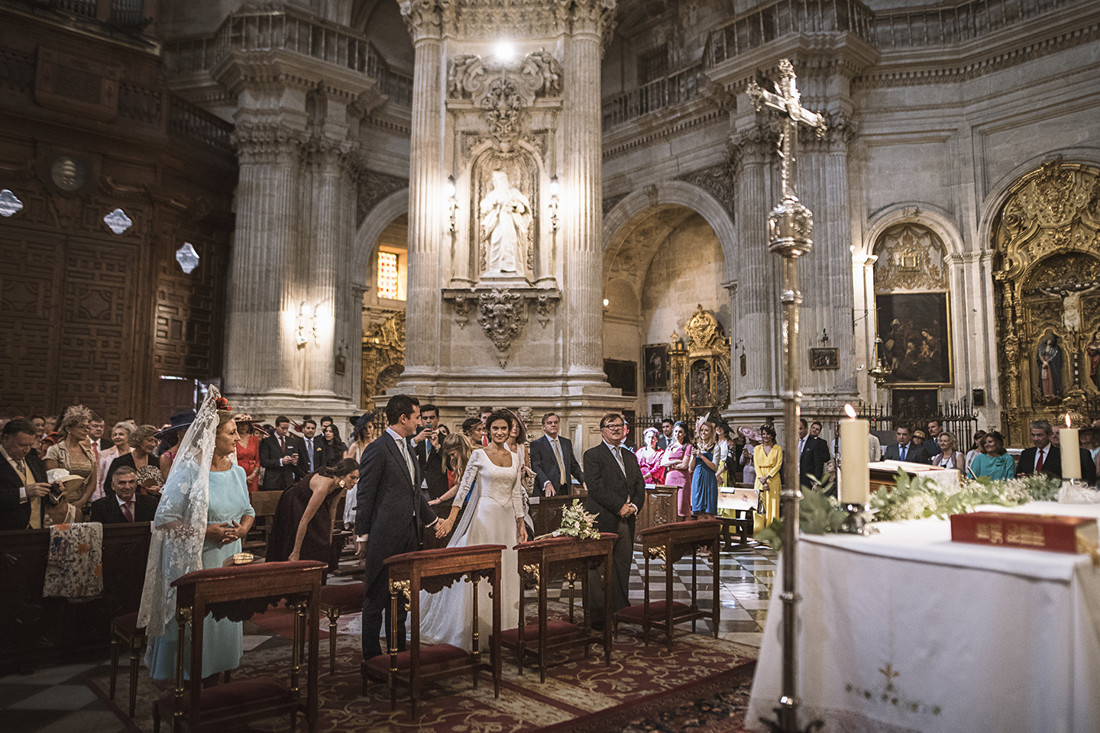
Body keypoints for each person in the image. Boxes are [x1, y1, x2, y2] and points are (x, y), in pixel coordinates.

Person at [140, 392, 256, 682]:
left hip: (231, 557)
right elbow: (164, 519)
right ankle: (190, 675)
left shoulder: (237, 472)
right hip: (199, 558)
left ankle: (219, 672)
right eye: (231, 433)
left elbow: (248, 510)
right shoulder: (189, 471)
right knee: (201, 622)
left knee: (226, 618)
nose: (238, 438)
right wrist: (206, 531)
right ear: (212, 437)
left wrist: (244, 528)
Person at [423, 410, 528, 648]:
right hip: (485, 518)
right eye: (495, 428)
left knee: (507, 569)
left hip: (507, 520)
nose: (499, 432)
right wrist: (451, 519)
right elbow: (463, 489)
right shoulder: (479, 455)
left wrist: (521, 523)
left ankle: (505, 627)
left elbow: (515, 492)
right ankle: (477, 628)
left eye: (503, 428)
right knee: (481, 571)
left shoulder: (515, 456)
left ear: (509, 430)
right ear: (488, 431)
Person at [355, 395, 439, 660]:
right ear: (403, 418)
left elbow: (414, 492)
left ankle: (398, 649)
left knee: (402, 596)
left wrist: (433, 521)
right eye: (416, 417)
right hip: (384, 533)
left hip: (409, 533)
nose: (419, 422)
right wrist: (362, 535)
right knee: (376, 596)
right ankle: (371, 656)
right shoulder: (378, 449)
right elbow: (365, 494)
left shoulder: (408, 447)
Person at [583, 413, 645, 629]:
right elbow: (596, 487)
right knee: (597, 569)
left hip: (626, 520)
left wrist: (634, 506)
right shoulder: (593, 455)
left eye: (619, 425)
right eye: (611, 426)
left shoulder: (630, 456)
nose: (616, 429)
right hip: (603, 518)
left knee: (622, 565)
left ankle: (620, 610)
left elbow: (639, 485)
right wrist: (620, 506)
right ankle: (599, 616)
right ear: (602, 431)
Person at [267, 458, 359, 571]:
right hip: (295, 502)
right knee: (304, 536)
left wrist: (329, 538)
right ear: (342, 475)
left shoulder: (341, 484)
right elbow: (304, 520)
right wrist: (296, 552)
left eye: (357, 478)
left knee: (322, 537)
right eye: (352, 477)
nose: (355, 482)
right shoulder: (323, 486)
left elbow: (333, 509)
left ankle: (317, 574)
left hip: (314, 501)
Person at [44, 405, 98, 513]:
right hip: (60, 506)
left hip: (84, 505)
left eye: (87, 427)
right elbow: (52, 482)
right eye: (81, 427)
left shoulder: (88, 452)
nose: (86, 430)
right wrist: (65, 503)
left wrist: (82, 501)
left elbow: (93, 481)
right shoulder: (55, 451)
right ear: (68, 428)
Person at [480, 170, 532, 277]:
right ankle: (495, 269)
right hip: (497, 224)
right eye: (494, 180)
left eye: (498, 179)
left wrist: (515, 206)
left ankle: (512, 268)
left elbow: (523, 208)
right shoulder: (493, 194)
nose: (495, 182)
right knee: (496, 243)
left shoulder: (513, 192)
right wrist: (492, 203)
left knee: (511, 243)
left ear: (504, 180)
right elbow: (484, 207)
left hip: (510, 224)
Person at [0, 419, 50, 530]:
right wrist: (24, 492)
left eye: (30, 445)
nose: (26, 450)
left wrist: (54, 490)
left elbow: (43, 494)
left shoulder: (34, 459)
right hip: (7, 531)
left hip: (36, 530)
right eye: (22, 445)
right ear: (5, 439)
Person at [530, 412, 585, 497]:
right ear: (544, 427)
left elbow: (573, 466)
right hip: (547, 491)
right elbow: (536, 467)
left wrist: (584, 480)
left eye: (556, 422)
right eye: (549, 423)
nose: (553, 425)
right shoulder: (537, 444)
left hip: (565, 489)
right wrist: (546, 483)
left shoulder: (566, 443)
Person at [104, 425, 163, 498]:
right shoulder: (120, 461)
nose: (153, 444)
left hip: (151, 503)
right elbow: (108, 487)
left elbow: (163, 485)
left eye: (155, 441)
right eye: (149, 440)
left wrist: (159, 490)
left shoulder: (156, 462)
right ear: (139, 439)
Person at [342, 411, 378, 529]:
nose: (368, 431)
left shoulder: (378, 444)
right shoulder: (355, 446)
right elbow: (348, 465)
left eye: (370, 427)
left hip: (374, 481)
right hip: (358, 482)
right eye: (365, 428)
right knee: (357, 518)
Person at [89, 465, 159, 523]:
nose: (127, 487)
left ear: (136, 484)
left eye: (131, 482)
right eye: (122, 483)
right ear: (113, 486)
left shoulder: (151, 503)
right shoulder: (100, 507)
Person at [414, 404, 449, 510]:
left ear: (437, 419)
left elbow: (451, 465)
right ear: (421, 420)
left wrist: (438, 447)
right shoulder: (415, 437)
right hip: (417, 488)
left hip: (437, 491)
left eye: (432, 417)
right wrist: (416, 440)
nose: (428, 421)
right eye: (425, 418)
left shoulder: (446, 439)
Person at [429, 432, 475, 509]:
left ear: (461, 449)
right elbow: (460, 485)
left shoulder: (477, 458)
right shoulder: (464, 462)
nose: (452, 458)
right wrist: (440, 500)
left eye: (453, 454)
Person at [259, 416, 305, 490]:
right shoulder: (267, 441)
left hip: (288, 481)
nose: (285, 431)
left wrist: (294, 461)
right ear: (276, 426)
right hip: (272, 481)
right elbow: (263, 461)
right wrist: (281, 461)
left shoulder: (292, 441)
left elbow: (296, 460)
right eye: (283, 428)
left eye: (287, 428)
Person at [94, 420, 135, 500]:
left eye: (121, 434)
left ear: (129, 436)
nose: (117, 437)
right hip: (108, 495)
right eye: (114, 435)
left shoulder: (134, 453)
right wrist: (98, 499)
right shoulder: (104, 454)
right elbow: (97, 479)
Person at [660, 420, 693, 519]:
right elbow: (663, 463)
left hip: (681, 479)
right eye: (676, 431)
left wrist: (670, 464)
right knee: (670, 507)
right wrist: (675, 462)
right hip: (670, 479)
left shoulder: (687, 446)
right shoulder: (670, 446)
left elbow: (684, 465)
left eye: (680, 432)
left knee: (681, 508)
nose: (677, 434)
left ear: (685, 434)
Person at [753, 424, 782, 532]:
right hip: (759, 479)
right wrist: (762, 479)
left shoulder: (778, 449)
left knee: (773, 505)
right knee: (759, 505)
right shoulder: (757, 448)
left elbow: (778, 465)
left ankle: (771, 533)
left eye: (768, 434)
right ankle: (759, 532)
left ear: (772, 436)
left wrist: (768, 477)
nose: (765, 436)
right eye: (763, 434)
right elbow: (756, 464)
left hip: (773, 479)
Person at [690, 418, 718, 520]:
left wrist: (701, 456)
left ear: (711, 433)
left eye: (706, 430)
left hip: (709, 479)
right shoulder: (696, 446)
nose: (703, 432)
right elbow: (691, 468)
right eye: (701, 430)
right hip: (697, 478)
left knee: (709, 512)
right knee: (699, 512)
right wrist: (694, 457)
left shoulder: (715, 447)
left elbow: (714, 467)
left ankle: (712, 530)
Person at [797, 417, 831, 492]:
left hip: (808, 481)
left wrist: (816, 482)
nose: (798, 431)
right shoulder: (796, 441)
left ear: (806, 428)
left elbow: (818, 464)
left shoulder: (816, 443)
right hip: (796, 480)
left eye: (800, 428)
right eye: (813, 428)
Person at [234, 414, 263, 492]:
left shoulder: (254, 440)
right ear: (236, 425)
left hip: (252, 477)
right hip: (236, 476)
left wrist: (253, 475)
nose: (243, 426)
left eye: (246, 423)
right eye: (241, 424)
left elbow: (257, 460)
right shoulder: (233, 439)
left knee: (253, 497)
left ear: (249, 425)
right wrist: (241, 477)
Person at [713, 423, 732, 487]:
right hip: (713, 467)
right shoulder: (713, 442)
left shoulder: (729, 443)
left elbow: (730, 460)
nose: (718, 429)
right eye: (717, 427)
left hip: (724, 469)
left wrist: (718, 474)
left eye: (721, 427)